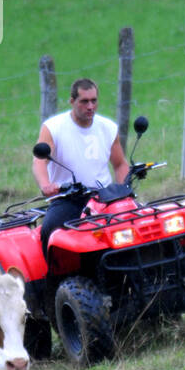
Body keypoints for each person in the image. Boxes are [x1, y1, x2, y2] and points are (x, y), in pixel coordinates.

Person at [34, 78, 129, 258]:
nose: (90, 106)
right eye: (84, 101)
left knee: (136, 221)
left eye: (94, 101)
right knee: (49, 230)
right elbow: (39, 161)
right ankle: (52, 279)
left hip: (104, 197)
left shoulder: (108, 128)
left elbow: (120, 164)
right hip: (69, 198)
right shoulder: (53, 128)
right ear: (72, 102)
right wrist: (46, 185)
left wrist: (124, 190)